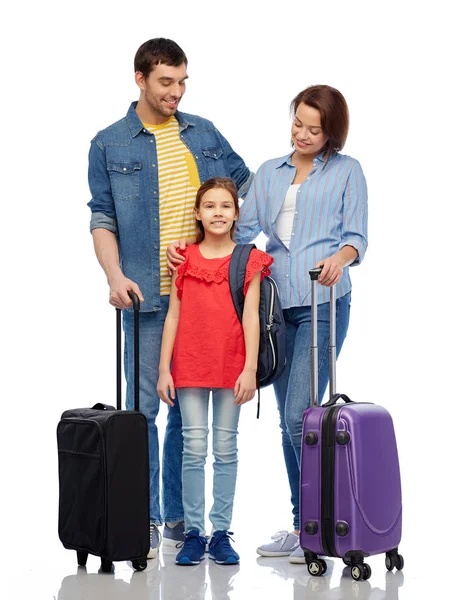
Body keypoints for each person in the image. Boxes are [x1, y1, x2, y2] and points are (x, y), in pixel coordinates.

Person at [167, 85, 368, 564]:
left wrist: (340, 258)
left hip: (323, 303)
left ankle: (321, 524)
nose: (302, 134)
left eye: (314, 129)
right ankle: (304, 525)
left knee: (302, 415)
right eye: (297, 123)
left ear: (332, 132)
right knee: (288, 423)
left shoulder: (347, 172)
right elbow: (237, 227)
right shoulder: (269, 172)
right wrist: (190, 249)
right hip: (277, 311)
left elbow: (357, 238)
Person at [87, 37, 253, 559]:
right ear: (140, 78)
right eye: (166, 82)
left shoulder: (202, 132)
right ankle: (147, 518)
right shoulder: (109, 143)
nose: (176, 92)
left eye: (183, 82)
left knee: (189, 415)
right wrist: (114, 275)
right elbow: (103, 217)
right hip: (145, 300)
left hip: (209, 295)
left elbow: (246, 186)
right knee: (141, 414)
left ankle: (183, 520)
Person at [157, 177, 273, 566]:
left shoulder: (248, 258)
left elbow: (252, 317)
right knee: (193, 449)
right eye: (210, 206)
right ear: (198, 213)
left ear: (236, 213)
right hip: (189, 365)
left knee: (226, 449)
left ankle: (220, 532)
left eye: (226, 205)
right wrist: (163, 370)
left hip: (231, 366)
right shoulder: (184, 259)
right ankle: (194, 533)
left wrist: (250, 369)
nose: (218, 212)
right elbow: (173, 314)